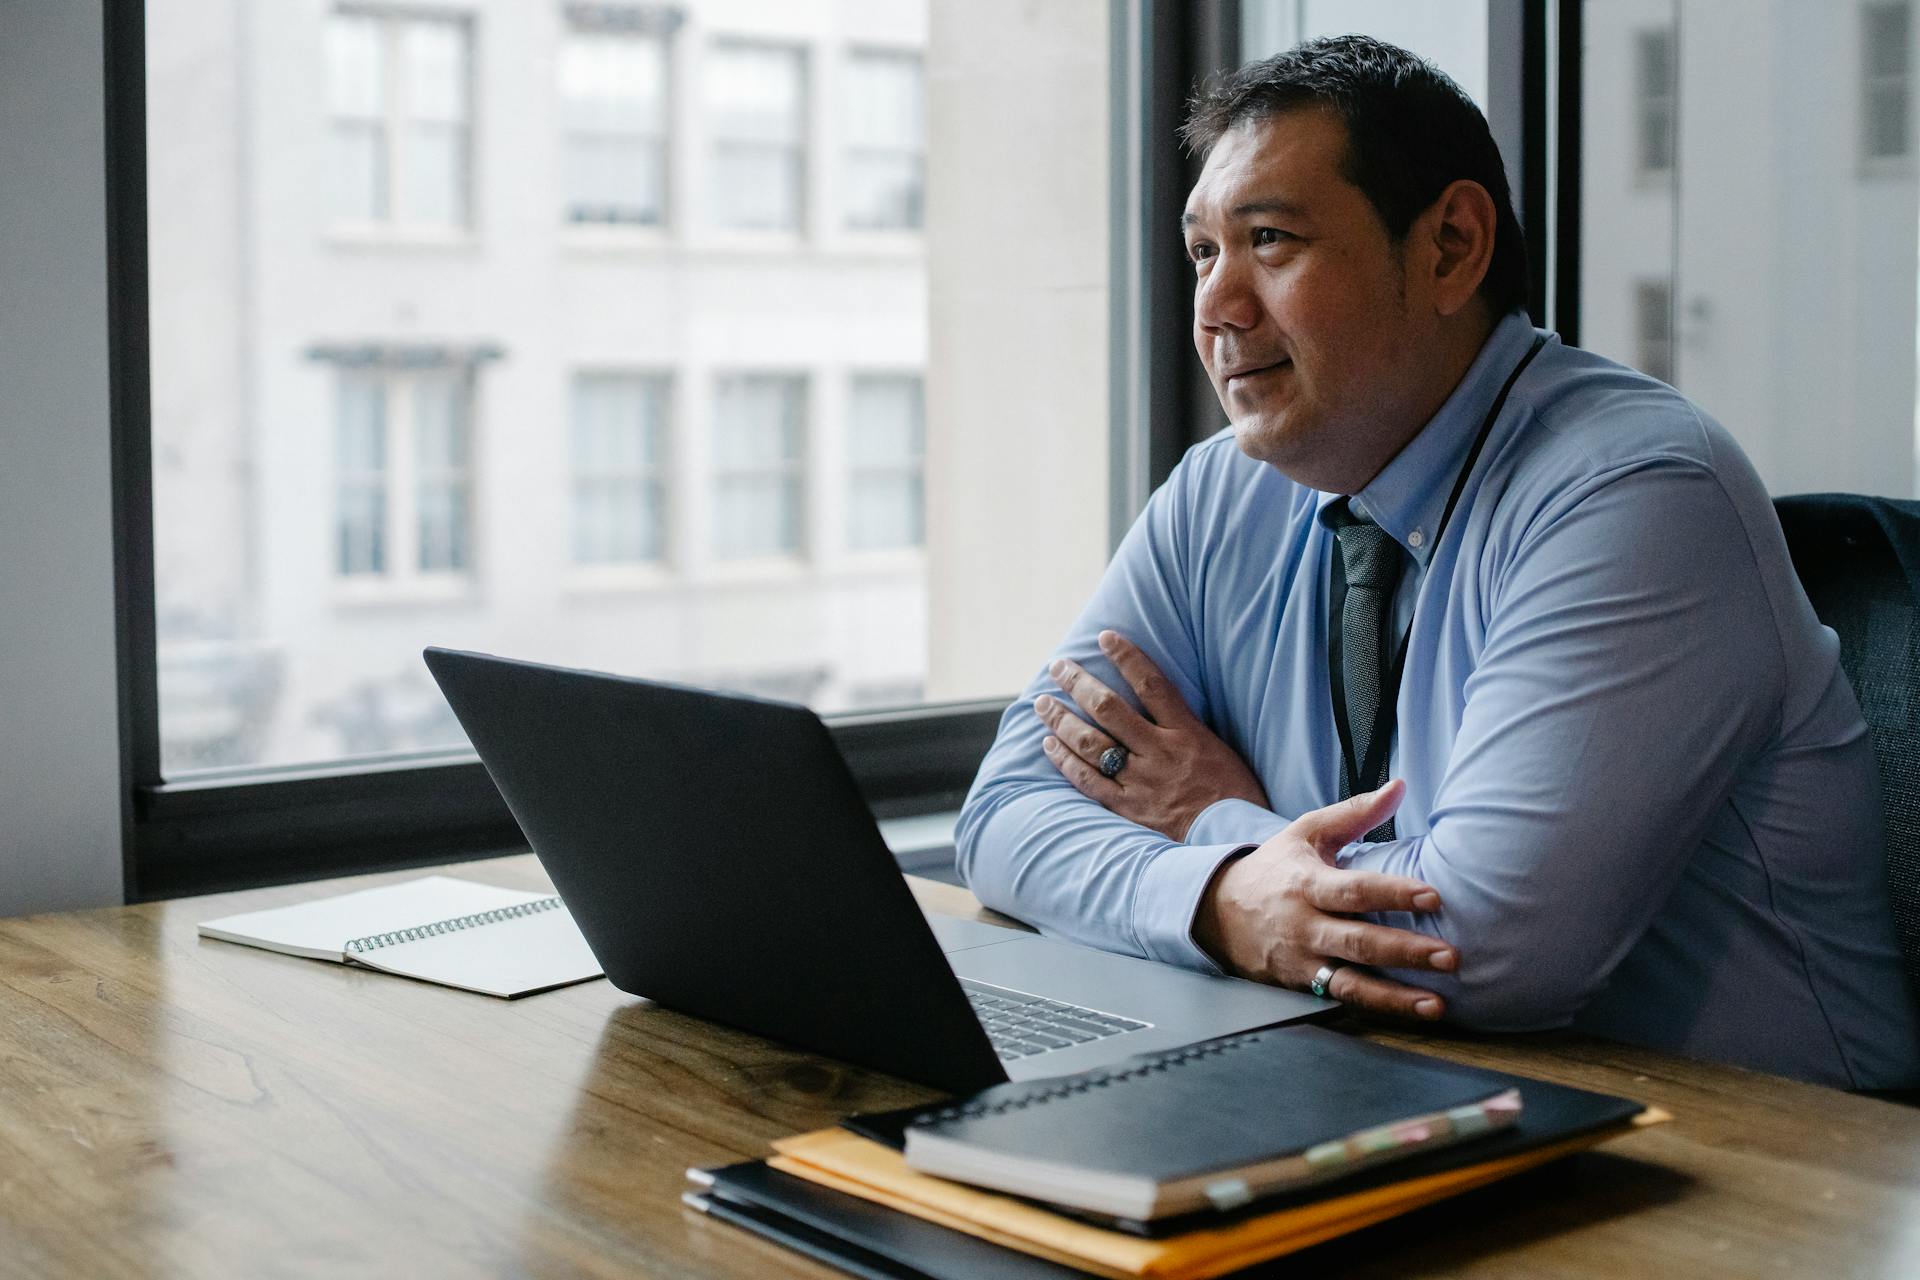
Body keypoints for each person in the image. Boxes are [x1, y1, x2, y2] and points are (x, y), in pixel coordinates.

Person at [954, 35, 1920, 1090]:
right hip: (1411, 1095)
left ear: (1451, 246)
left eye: (1269, 240)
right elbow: (1002, 815)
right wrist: (1228, 894)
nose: (1217, 308)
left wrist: (1207, 819)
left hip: (1766, 1175)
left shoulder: (1639, 491)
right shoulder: (1216, 493)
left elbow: (1485, 946)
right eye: (1202, 254)